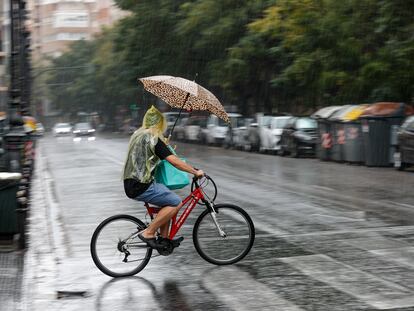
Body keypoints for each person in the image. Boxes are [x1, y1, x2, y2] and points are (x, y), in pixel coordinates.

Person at [123, 105, 204, 249]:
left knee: (167, 199)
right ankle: (149, 232)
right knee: (175, 202)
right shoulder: (154, 139)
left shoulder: (140, 135)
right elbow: (174, 161)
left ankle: (164, 240)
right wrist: (194, 171)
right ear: (160, 123)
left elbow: (148, 156)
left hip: (131, 183)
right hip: (141, 185)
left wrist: (164, 146)